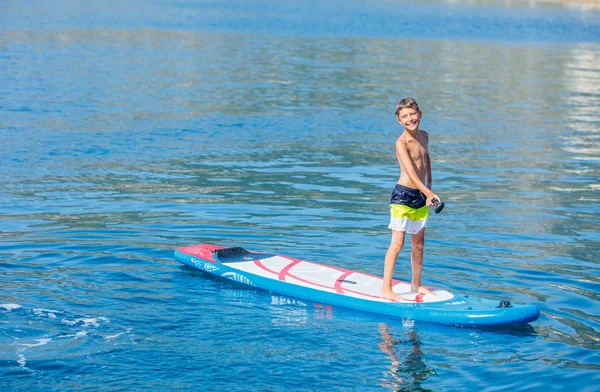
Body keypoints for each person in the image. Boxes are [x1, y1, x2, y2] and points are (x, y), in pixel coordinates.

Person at [380, 98, 441, 301]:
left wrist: (429, 187)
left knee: (419, 245)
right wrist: (428, 192)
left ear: (420, 114)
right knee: (397, 244)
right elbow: (411, 173)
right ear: (399, 121)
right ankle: (386, 288)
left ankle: (416, 285)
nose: (410, 118)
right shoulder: (401, 143)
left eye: (413, 114)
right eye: (405, 116)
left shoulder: (424, 136)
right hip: (403, 196)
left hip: (421, 195)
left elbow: (425, 158)